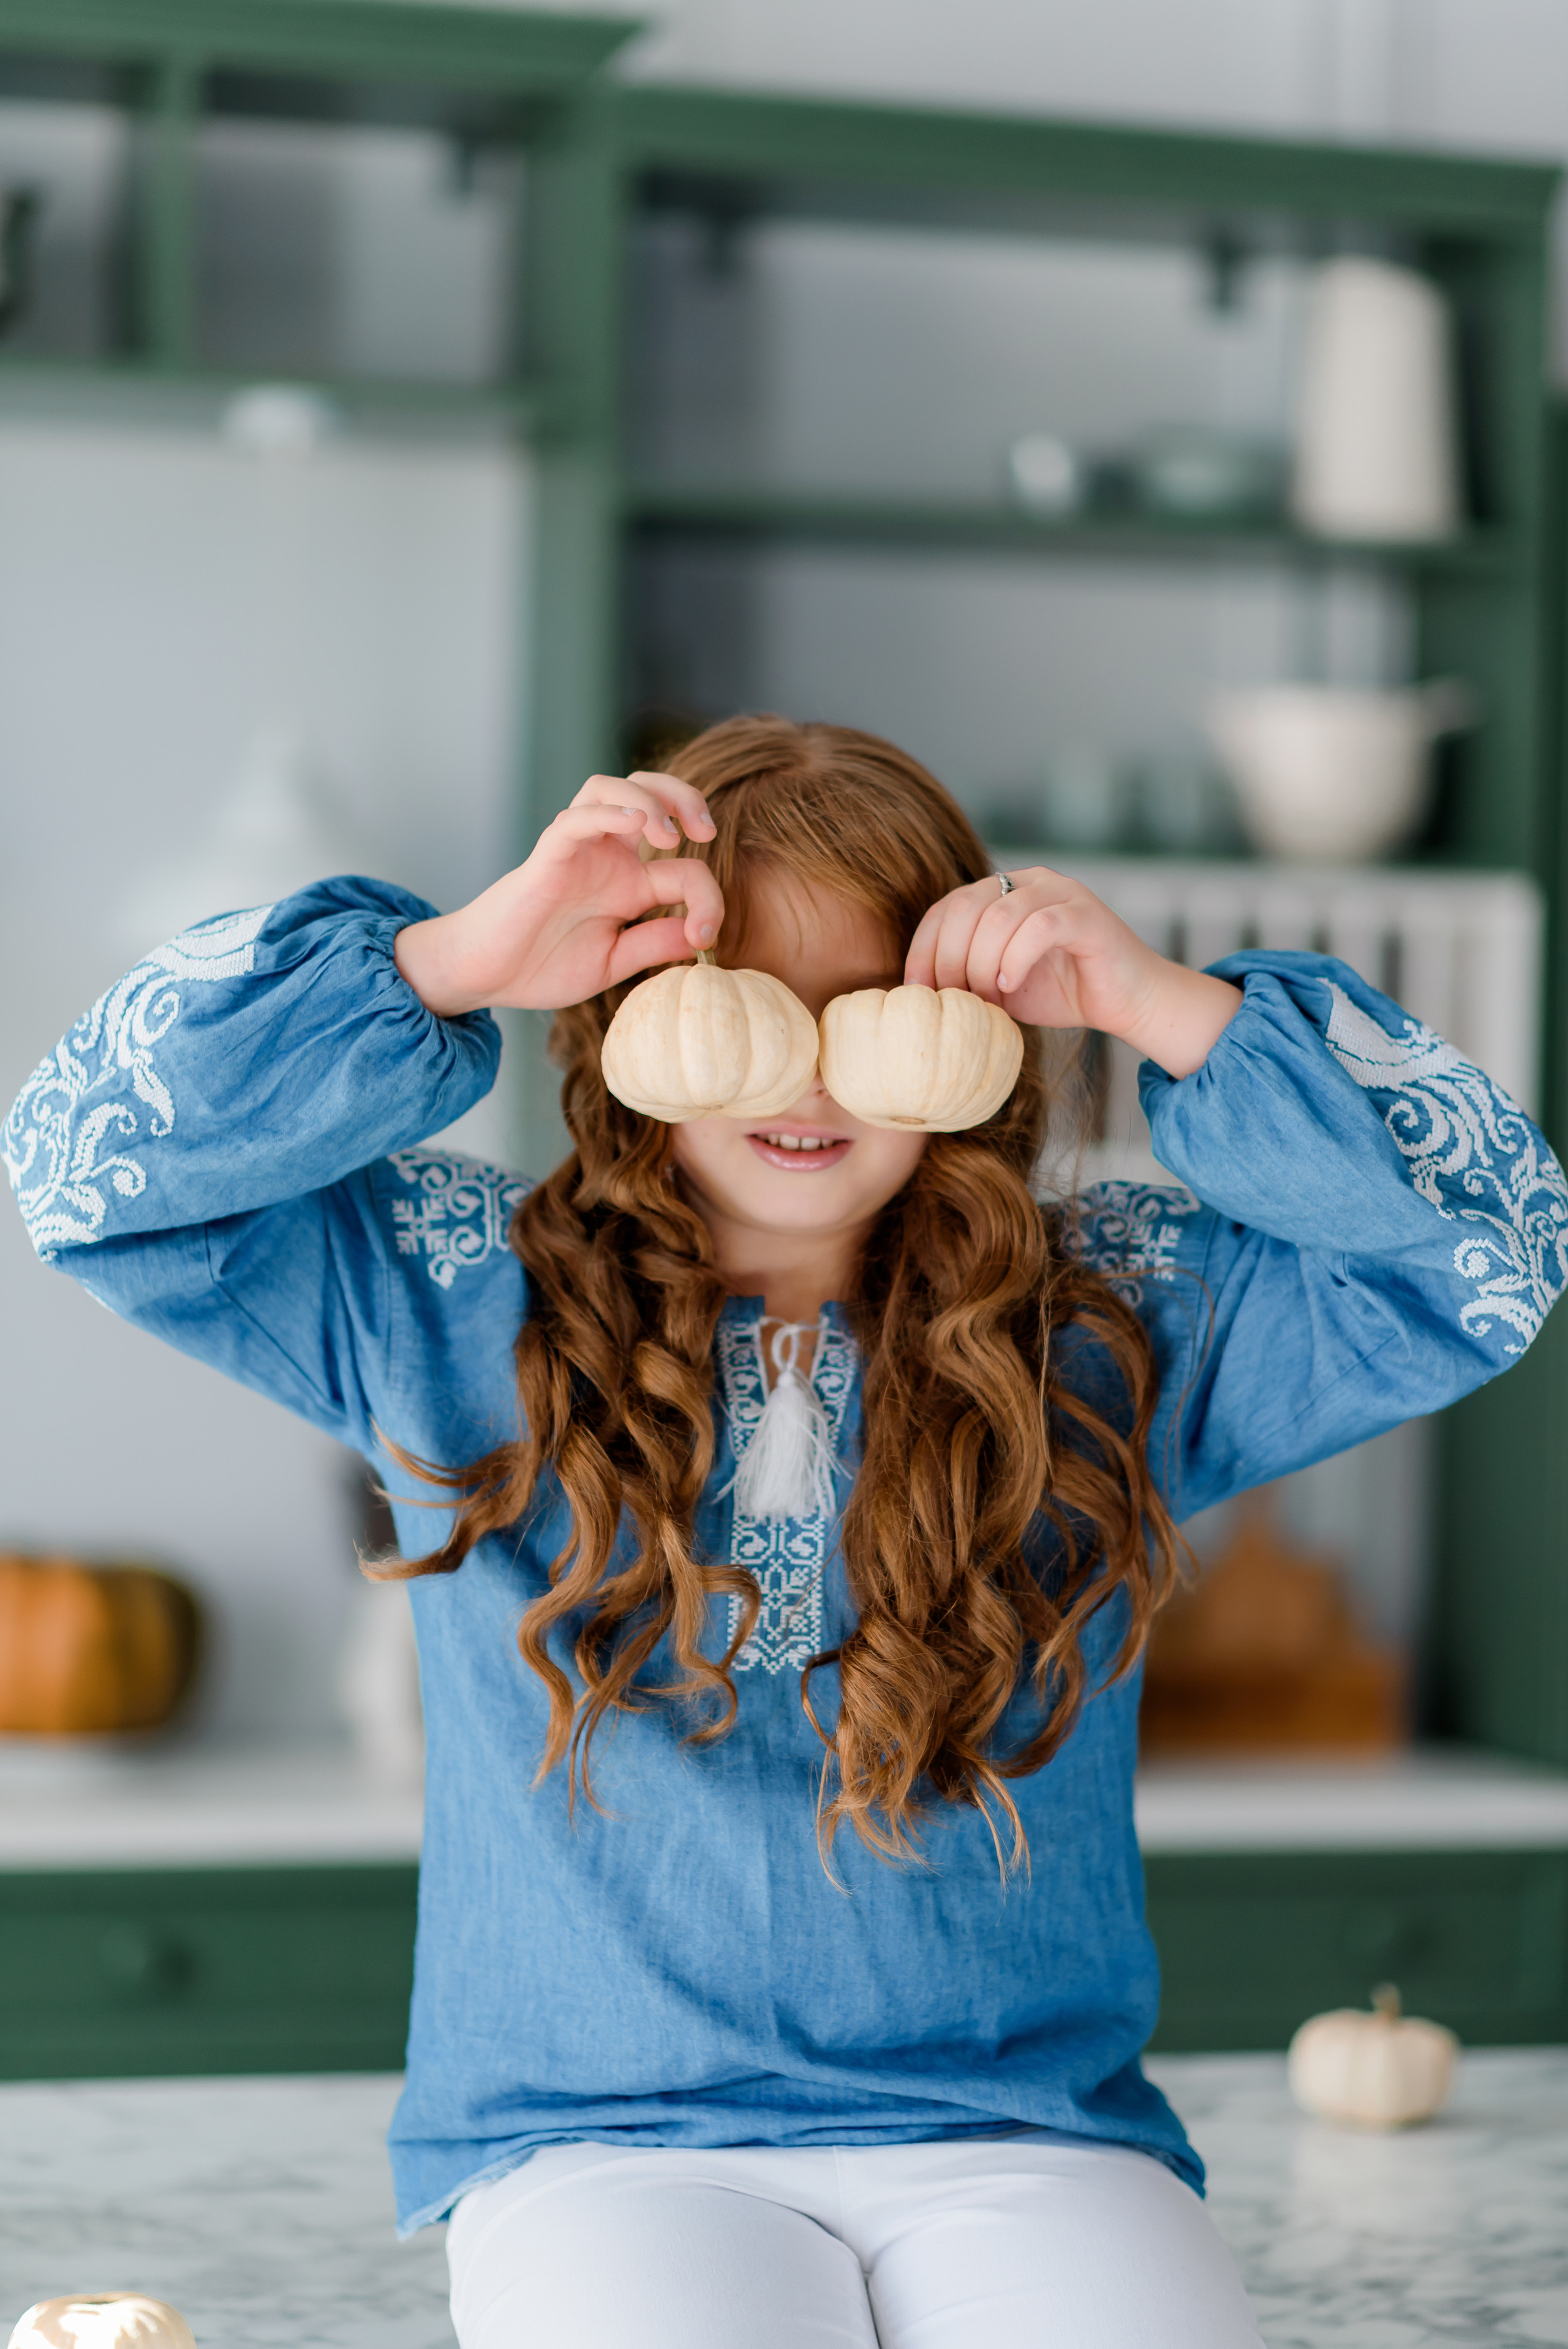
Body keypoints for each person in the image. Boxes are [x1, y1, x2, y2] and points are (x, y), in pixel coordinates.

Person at [7, 717, 1566, 2349]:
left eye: (874, 1007)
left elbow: (1497, 1248)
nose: (810, 1068)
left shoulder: (1110, 1324)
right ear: (627, 1020)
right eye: (744, 1002)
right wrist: (453, 958)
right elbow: (82, 1169)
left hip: (1029, 2137)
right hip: (604, 2146)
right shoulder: (449, 1296)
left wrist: (1160, 1002)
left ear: (968, 1036)